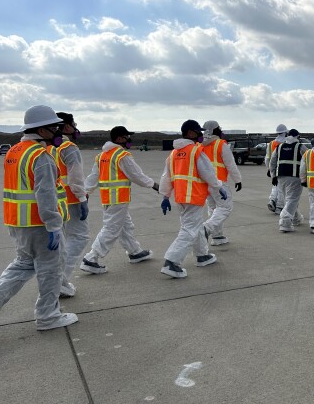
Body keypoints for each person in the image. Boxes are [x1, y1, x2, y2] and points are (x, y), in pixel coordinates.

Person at [0, 105, 77, 336]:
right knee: (51, 269)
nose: (58, 131)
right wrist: (54, 226)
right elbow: (45, 195)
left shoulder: (15, 151)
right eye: (54, 127)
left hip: (18, 222)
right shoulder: (40, 157)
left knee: (23, 264)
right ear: (41, 130)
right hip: (40, 225)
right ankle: (48, 315)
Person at [80, 126, 159, 274]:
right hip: (118, 198)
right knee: (111, 228)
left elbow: (93, 177)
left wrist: (86, 191)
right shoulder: (122, 155)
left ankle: (134, 251)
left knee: (125, 226)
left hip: (108, 199)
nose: (129, 139)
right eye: (127, 136)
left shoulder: (103, 155)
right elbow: (136, 175)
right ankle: (91, 258)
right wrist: (154, 185)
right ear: (119, 139)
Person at [158, 120, 227, 278]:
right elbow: (208, 173)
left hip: (181, 197)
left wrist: (166, 196)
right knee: (190, 229)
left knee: (193, 226)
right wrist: (219, 186)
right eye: (198, 132)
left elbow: (166, 177)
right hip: (194, 196)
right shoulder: (195, 151)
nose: (201, 135)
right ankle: (171, 261)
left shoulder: (174, 154)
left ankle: (202, 255)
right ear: (190, 133)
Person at [47, 112, 89, 298]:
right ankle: (61, 280)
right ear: (66, 127)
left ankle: (58, 280)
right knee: (79, 237)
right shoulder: (69, 147)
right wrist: (82, 199)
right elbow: (75, 177)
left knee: (63, 241)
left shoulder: (47, 147)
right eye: (73, 124)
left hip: (53, 199)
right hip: (70, 199)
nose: (75, 127)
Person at [200, 120, 241, 246]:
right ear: (214, 130)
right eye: (219, 128)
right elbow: (230, 164)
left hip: (205, 182)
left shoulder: (199, 145)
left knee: (213, 208)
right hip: (219, 182)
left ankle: (217, 236)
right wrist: (238, 179)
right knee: (225, 207)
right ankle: (206, 228)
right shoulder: (221, 144)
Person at [269, 129, 306, 232]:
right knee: (292, 200)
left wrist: (273, 176)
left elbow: (272, 162)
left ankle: (296, 218)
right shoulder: (300, 146)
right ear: (297, 136)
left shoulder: (279, 147)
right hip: (295, 177)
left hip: (281, 177)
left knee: (288, 199)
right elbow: (308, 159)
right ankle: (285, 222)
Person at [266, 124, 288, 214]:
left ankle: (272, 200)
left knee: (275, 185)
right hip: (283, 168)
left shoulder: (271, 143)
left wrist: (269, 169)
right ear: (285, 132)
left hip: (273, 167)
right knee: (282, 189)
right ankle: (279, 207)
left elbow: (267, 158)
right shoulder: (286, 143)